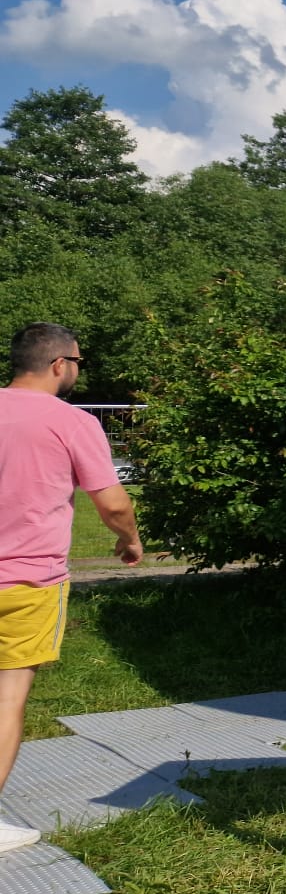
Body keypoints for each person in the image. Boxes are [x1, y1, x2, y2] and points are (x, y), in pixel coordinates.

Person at [1, 323, 144, 854]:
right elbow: (113, 502)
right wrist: (130, 540)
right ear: (60, 364)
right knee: (7, 697)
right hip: (28, 581)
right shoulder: (72, 422)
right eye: (79, 362)